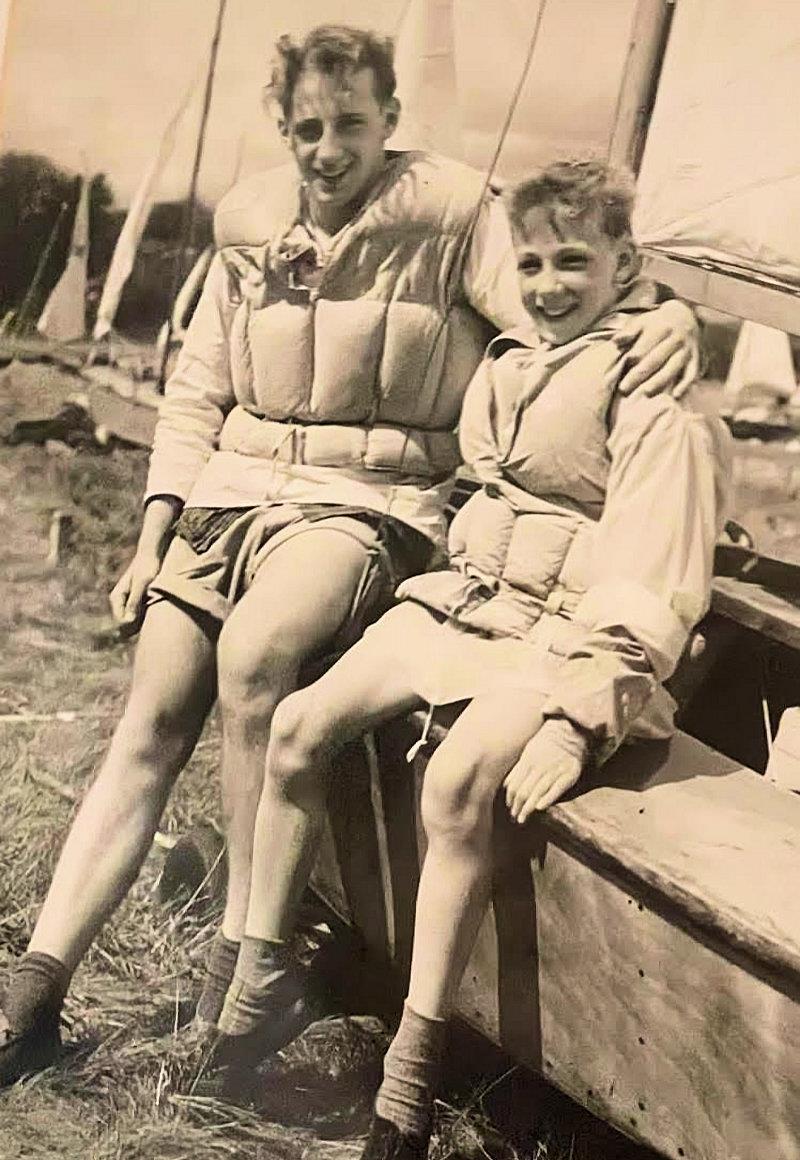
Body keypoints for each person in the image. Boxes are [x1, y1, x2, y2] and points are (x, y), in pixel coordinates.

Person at [0, 26, 697, 1087]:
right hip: (232, 493)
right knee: (151, 710)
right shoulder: (248, 228)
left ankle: (244, 976)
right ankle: (36, 994)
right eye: (307, 129)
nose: (327, 150)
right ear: (282, 128)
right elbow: (194, 393)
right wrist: (153, 532)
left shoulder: (454, 217)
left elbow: (559, 314)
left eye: (351, 126)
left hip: (368, 501)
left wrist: (659, 315)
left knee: (256, 660)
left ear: (389, 122)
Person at [212, 159, 730, 1158]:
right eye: (530, 261)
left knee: (453, 784)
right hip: (468, 603)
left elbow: (651, 574)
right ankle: (249, 995)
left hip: (563, 635)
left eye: (572, 261)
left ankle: (409, 1080)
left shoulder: (657, 396)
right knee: (294, 726)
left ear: (626, 260)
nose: (544, 283)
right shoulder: (513, 353)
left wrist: (586, 715)